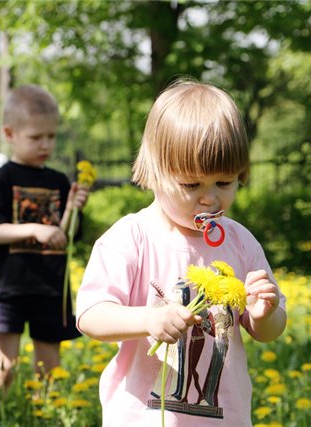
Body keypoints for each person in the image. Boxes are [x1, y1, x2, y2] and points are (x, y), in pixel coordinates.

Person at [76, 80, 287, 426]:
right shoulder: (132, 238)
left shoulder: (241, 242)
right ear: (155, 173)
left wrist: (265, 313)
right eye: (191, 185)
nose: (209, 199)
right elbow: (90, 315)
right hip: (142, 418)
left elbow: (267, 330)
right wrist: (148, 319)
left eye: (225, 183)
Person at [0, 84, 90, 393]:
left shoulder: (58, 181)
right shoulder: (1, 179)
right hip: (10, 290)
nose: (45, 144)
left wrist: (74, 209)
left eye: (51, 137)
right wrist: (34, 229)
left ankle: (46, 415)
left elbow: (68, 236)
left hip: (51, 287)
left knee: (49, 369)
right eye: (36, 137)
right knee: (4, 367)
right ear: (10, 133)